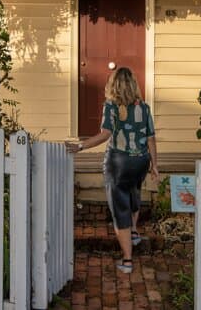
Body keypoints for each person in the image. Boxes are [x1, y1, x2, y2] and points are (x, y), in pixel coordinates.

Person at [66, 67, 159, 274]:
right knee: (134, 191)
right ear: (133, 85)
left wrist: (81, 146)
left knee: (120, 207)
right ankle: (133, 232)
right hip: (141, 160)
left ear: (113, 85)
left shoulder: (111, 106)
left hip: (119, 162)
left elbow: (105, 134)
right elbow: (151, 138)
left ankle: (127, 260)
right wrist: (155, 165)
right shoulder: (144, 107)